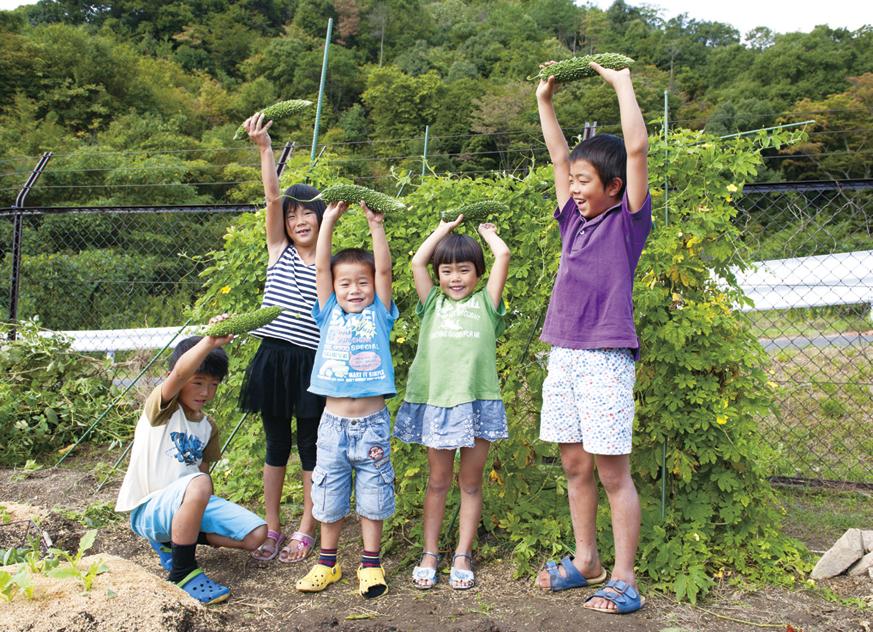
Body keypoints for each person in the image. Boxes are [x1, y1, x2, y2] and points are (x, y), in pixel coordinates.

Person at [533, 61, 652, 615]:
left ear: (614, 188)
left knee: (612, 472)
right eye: (574, 181)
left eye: (586, 182)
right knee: (575, 465)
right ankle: (587, 562)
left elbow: (636, 149)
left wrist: (621, 83)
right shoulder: (572, 221)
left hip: (606, 358)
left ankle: (625, 579)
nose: (576, 188)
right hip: (564, 355)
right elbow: (559, 156)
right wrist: (545, 102)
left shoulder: (626, 223)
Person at [393, 216, 510, 590]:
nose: (455, 278)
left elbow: (504, 254)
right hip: (438, 405)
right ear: (438, 275)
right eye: (447, 271)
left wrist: (487, 235)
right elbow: (416, 262)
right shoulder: (432, 304)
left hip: (478, 404)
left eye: (464, 270)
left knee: (471, 484)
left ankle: (462, 552)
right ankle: (429, 552)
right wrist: (443, 228)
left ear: (478, 273)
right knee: (438, 481)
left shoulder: (487, 304)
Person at [115, 328, 267, 605]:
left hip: (188, 500)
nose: (206, 392)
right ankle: (182, 571)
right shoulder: (161, 410)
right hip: (150, 509)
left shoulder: (208, 427)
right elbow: (179, 374)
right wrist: (210, 341)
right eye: (197, 383)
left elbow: (204, 471)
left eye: (213, 384)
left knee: (257, 535)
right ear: (181, 379)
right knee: (198, 482)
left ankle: (176, 541)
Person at [294, 199, 398, 600]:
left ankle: (370, 565)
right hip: (332, 425)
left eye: (363, 282)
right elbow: (321, 267)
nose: (354, 289)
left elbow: (385, 268)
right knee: (328, 492)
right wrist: (329, 223)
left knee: (373, 494)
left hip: (372, 424)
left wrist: (376, 226)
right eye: (345, 283)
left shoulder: (381, 312)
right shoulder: (327, 312)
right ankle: (328, 561)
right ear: (333, 289)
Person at [238, 112, 326, 564]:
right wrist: (265, 149)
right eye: (292, 215)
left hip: (312, 360)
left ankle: (306, 528)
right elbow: (272, 197)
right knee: (276, 444)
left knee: (310, 445)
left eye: (307, 213)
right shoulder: (279, 251)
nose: (297, 220)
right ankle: (271, 527)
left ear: (322, 219)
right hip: (273, 357)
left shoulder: (328, 263)